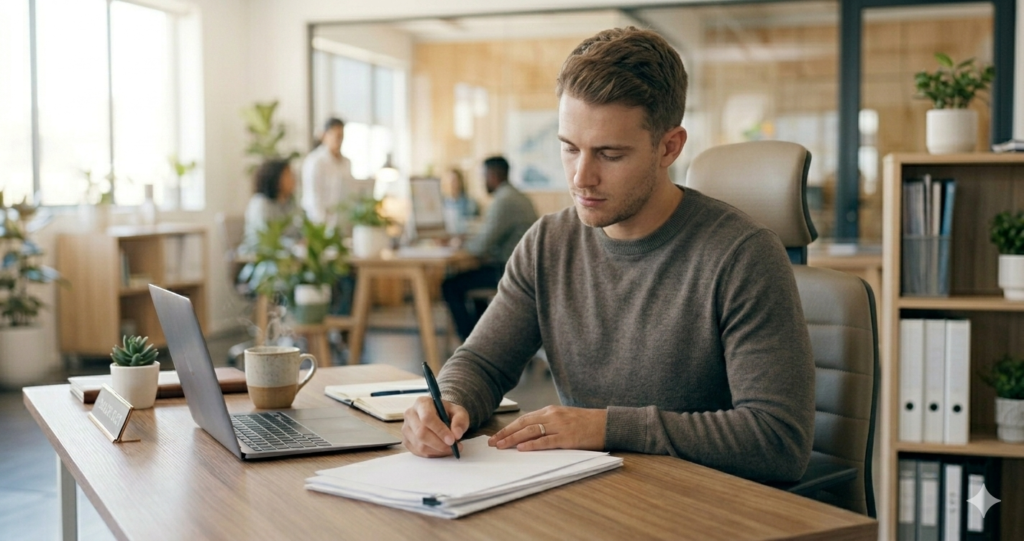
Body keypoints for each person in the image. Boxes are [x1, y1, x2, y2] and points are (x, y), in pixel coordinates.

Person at [403, 27, 815, 483]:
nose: (581, 177)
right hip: (594, 496)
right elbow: (482, 362)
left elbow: (778, 441)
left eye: (609, 154)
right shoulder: (547, 243)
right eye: (569, 148)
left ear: (669, 147)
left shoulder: (743, 255)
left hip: (705, 508)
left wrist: (605, 426)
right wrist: (449, 404)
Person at [441, 156, 538, 341]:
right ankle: (483, 340)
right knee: (471, 281)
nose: (482, 181)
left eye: (483, 176)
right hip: (523, 271)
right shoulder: (518, 196)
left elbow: (481, 246)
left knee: (450, 286)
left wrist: (458, 243)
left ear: (492, 175)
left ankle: (470, 344)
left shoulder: (504, 200)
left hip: (507, 272)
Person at [301, 118, 361, 226]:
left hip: (342, 222)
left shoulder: (347, 162)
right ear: (324, 135)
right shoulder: (315, 161)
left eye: (341, 137)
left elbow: (349, 193)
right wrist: (324, 226)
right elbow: (313, 199)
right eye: (336, 136)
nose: (339, 141)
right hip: (319, 224)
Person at [240, 159, 302, 254]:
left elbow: (297, 231)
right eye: (288, 175)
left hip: (287, 255)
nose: (294, 179)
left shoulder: (290, 203)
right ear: (275, 178)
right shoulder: (260, 204)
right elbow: (268, 239)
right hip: (260, 258)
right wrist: (294, 244)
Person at [441, 167, 478, 235]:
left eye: (454, 180)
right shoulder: (442, 204)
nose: (451, 184)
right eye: (449, 181)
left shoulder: (470, 203)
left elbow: (473, 226)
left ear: (460, 182)